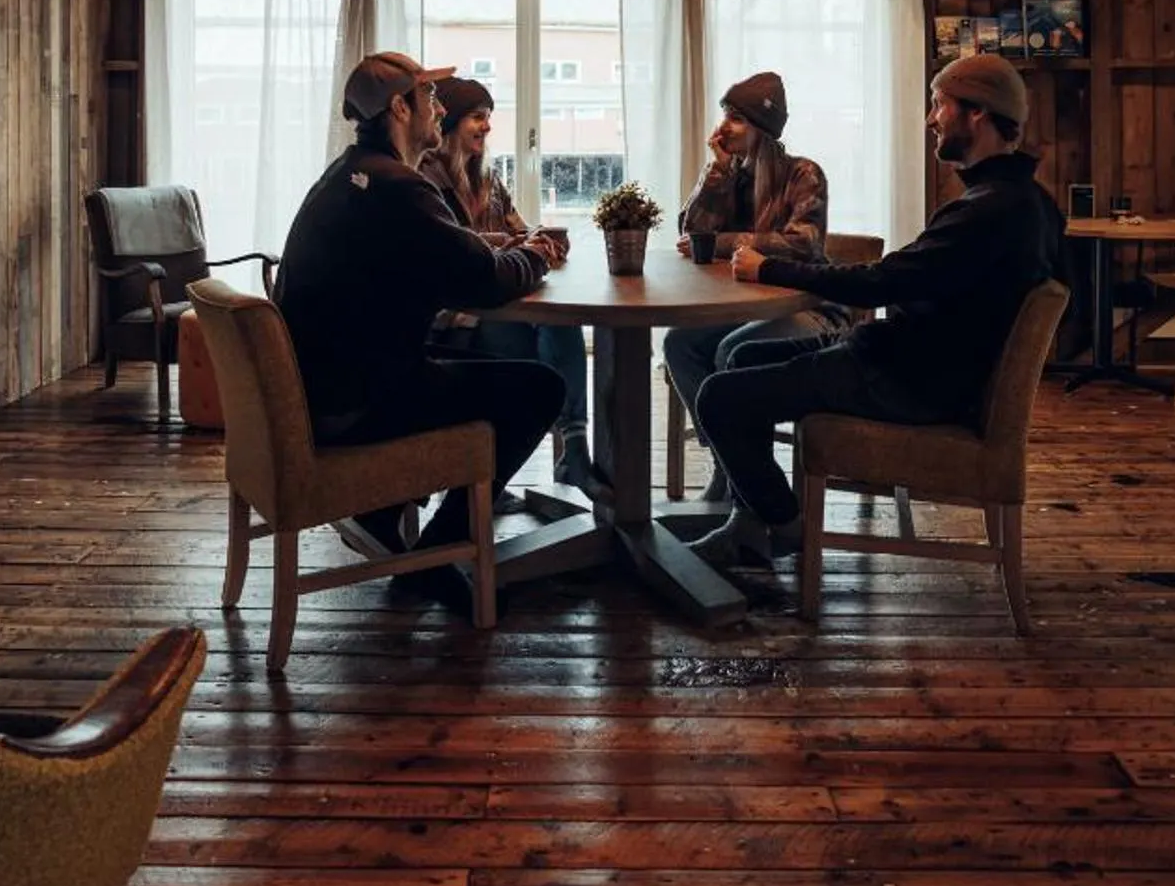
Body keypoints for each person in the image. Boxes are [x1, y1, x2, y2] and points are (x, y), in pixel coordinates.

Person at [688, 52, 1065, 569]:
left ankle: (782, 523)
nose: (932, 119)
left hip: (906, 382)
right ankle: (748, 523)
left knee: (718, 397)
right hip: (922, 369)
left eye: (939, 105)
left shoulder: (988, 210)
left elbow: (880, 282)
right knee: (745, 356)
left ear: (976, 113)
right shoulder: (1030, 203)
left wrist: (768, 269)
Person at [276, 51, 568, 607]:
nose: (438, 107)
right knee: (540, 387)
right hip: (358, 404)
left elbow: (451, 258)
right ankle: (437, 556)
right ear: (399, 108)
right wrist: (534, 254)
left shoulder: (352, 174)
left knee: (488, 370)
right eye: (429, 98)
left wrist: (505, 252)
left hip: (324, 389)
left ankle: (385, 512)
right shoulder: (398, 188)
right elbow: (483, 284)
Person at [660, 71, 840, 499]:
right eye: (724, 114)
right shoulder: (731, 175)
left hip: (809, 312)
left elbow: (803, 246)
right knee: (678, 344)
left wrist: (723, 243)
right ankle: (731, 462)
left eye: (736, 118)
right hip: (743, 311)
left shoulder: (803, 174)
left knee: (733, 352)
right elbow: (692, 236)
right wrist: (716, 173)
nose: (723, 128)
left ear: (763, 128)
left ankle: (745, 483)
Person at [413, 76, 595, 487]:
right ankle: (563, 453)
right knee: (545, 351)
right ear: (450, 122)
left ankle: (575, 445)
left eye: (489, 117)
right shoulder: (424, 179)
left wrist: (542, 241)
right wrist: (519, 243)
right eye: (478, 117)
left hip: (497, 303)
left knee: (560, 322)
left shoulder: (489, 181)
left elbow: (521, 230)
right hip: (454, 324)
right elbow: (455, 248)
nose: (488, 127)